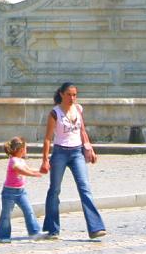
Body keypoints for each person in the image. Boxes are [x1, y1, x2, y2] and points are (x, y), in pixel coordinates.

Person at [39, 82, 106, 240]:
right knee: (54, 190)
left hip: (77, 153)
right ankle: (51, 228)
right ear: (62, 94)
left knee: (85, 188)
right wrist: (45, 160)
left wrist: (90, 149)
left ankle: (95, 228)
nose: (72, 98)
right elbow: (48, 138)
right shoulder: (54, 113)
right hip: (60, 152)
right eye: (69, 94)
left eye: (75, 95)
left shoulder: (79, 108)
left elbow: (82, 131)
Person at [0, 137, 46, 243]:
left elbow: (28, 169)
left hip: (21, 192)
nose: (26, 151)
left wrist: (40, 170)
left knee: (29, 211)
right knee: (6, 214)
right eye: (26, 148)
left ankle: (35, 232)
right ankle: (3, 236)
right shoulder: (13, 161)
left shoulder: (22, 160)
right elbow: (21, 171)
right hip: (9, 192)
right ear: (21, 149)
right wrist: (33, 175)